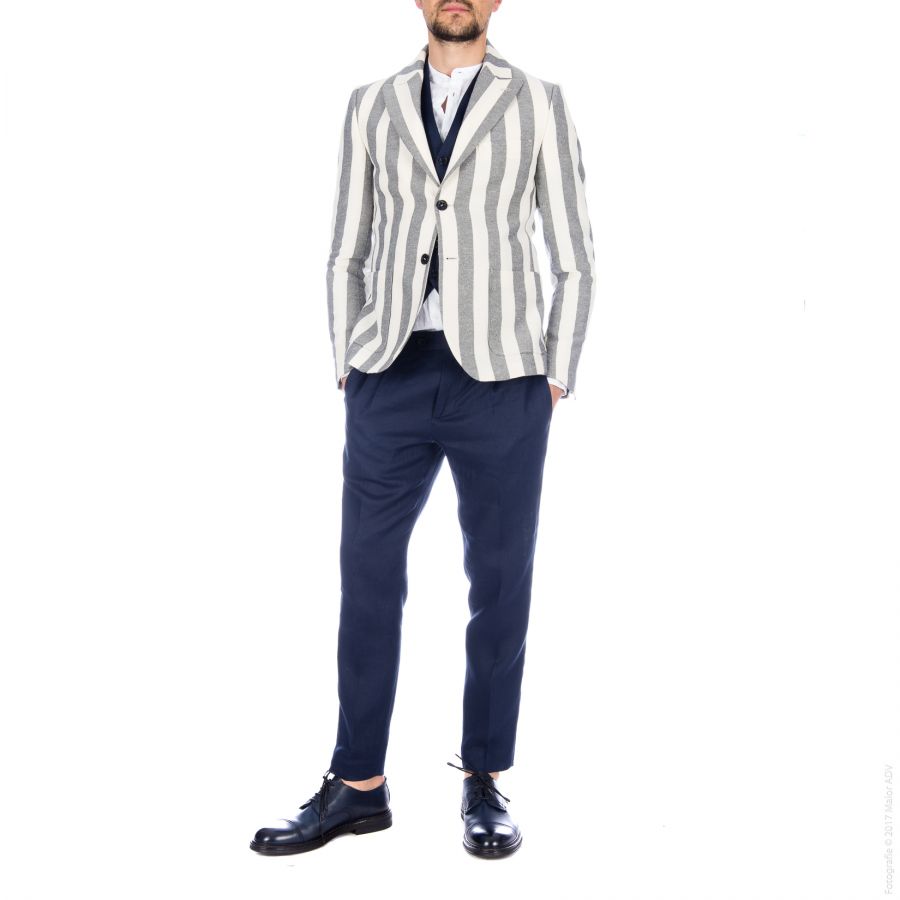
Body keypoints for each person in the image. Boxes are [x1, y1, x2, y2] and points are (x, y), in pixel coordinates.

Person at [251, 0, 595, 859]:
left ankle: (484, 778)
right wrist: (348, 360)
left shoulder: (539, 101)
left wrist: (555, 372)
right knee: (367, 576)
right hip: (389, 370)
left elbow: (574, 253)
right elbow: (348, 243)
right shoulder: (370, 103)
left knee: (500, 582)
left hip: (504, 379)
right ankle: (357, 785)